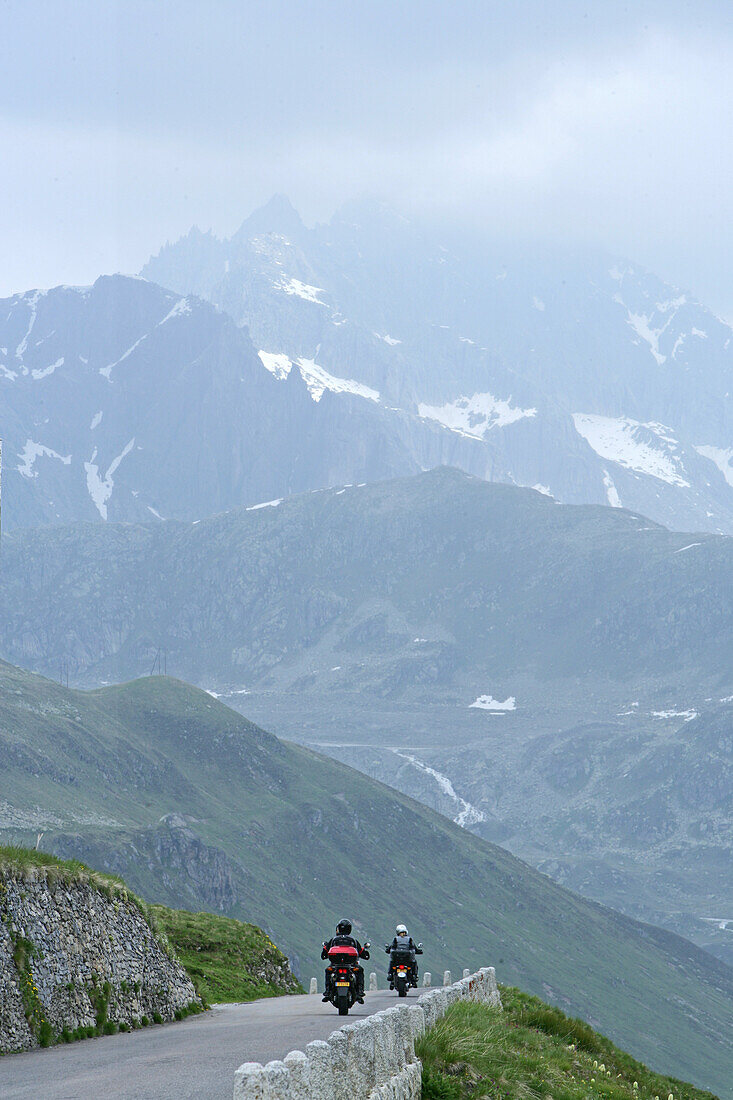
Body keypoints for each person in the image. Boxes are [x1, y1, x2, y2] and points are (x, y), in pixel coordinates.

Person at [321, 918, 369, 1003]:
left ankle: (328, 991)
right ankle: (360, 991)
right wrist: (365, 953)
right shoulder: (353, 940)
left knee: (328, 971)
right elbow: (362, 953)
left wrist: (324, 952)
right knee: (360, 971)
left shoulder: (334, 940)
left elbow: (325, 953)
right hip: (351, 965)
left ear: (339, 928)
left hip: (335, 965)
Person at [385, 923, 422, 988]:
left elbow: (391, 947)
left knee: (391, 962)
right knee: (414, 963)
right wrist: (419, 951)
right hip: (408, 960)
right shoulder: (409, 939)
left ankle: (390, 974)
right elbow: (414, 948)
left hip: (396, 960)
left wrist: (388, 950)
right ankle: (414, 976)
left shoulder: (395, 939)